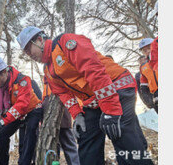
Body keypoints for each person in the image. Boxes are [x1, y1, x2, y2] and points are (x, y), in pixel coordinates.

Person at [17, 26, 153, 165]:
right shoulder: (48, 70)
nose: (29, 55)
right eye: (26, 53)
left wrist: (111, 111)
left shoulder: (65, 43)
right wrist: (78, 115)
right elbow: (63, 94)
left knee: (122, 135)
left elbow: (94, 71)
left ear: (39, 40)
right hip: (94, 100)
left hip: (116, 87)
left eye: (29, 49)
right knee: (86, 138)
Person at [42, 76, 80, 165]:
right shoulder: (46, 84)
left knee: (68, 142)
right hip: (48, 111)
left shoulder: (59, 74)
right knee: (53, 145)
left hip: (61, 108)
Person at [138, 38, 158, 113]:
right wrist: (147, 99)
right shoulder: (143, 67)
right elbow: (143, 85)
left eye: (149, 48)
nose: (147, 51)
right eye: (144, 50)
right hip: (156, 94)